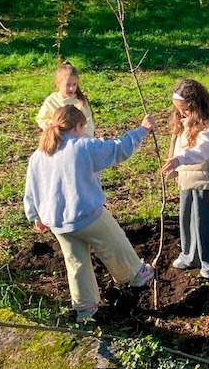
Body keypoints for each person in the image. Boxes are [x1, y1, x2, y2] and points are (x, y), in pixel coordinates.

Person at [23, 106, 155, 323]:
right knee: (115, 243)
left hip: (58, 223)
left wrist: (35, 216)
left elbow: (31, 188)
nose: (84, 132)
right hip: (87, 215)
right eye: (83, 128)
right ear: (77, 127)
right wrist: (142, 130)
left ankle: (85, 309)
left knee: (76, 263)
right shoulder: (82, 147)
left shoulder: (39, 155)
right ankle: (136, 275)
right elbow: (117, 148)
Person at [159, 80, 209, 280]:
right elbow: (179, 146)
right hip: (188, 179)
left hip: (206, 182)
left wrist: (179, 160)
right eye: (178, 110)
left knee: (207, 224)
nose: (181, 114)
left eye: (184, 110)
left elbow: (202, 152)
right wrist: (177, 170)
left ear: (196, 106)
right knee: (188, 220)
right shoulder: (184, 121)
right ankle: (191, 255)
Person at [36, 62, 95, 138]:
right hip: (57, 140)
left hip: (77, 141)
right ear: (58, 83)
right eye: (68, 84)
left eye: (74, 84)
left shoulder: (80, 101)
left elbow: (88, 123)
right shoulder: (51, 101)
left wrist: (84, 140)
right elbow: (41, 119)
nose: (72, 88)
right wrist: (55, 126)